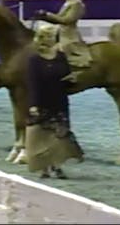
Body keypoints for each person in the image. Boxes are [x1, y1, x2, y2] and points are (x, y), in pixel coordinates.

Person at [25, 25, 84, 179]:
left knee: (58, 138)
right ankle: (44, 168)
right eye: (49, 36)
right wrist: (33, 104)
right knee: (42, 137)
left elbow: (66, 77)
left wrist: (72, 80)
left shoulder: (61, 57)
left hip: (59, 101)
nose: (52, 39)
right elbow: (32, 83)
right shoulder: (34, 60)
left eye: (53, 36)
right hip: (41, 102)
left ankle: (57, 167)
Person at [35, 0, 92, 69]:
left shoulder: (77, 4)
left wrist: (48, 14)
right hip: (60, 34)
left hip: (69, 37)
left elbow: (67, 20)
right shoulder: (68, 2)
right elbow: (58, 19)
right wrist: (44, 17)